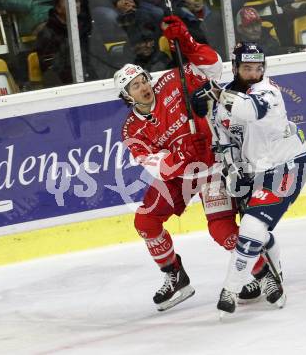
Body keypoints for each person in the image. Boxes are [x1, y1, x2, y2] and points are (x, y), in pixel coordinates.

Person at [114, 17, 267, 311]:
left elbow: (213, 65)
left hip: (211, 167)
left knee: (222, 230)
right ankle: (175, 276)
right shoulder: (131, 130)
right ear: (127, 96)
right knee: (145, 221)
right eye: (135, 86)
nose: (143, 86)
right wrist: (183, 157)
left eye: (144, 79)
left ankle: (256, 271)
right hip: (181, 177)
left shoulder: (174, 80)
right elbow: (155, 165)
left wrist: (186, 41)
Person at [191, 42, 306, 316]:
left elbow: (250, 111)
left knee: (251, 226)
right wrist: (233, 170)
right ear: (235, 68)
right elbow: (225, 142)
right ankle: (274, 275)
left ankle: (229, 291)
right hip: (254, 171)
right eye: (247, 68)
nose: (254, 72)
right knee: (258, 231)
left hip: (287, 166)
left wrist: (215, 93)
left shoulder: (268, 91)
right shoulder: (221, 104)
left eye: (258, 67)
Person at [36, 0, 98, 87]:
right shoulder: (47, 34)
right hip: (68, 88)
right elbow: (50, 71)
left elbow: (100, 57)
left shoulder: (87, 27)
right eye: (71, 2)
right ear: (58, 8)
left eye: (77, 1)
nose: (76, 6)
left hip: (95, 81)